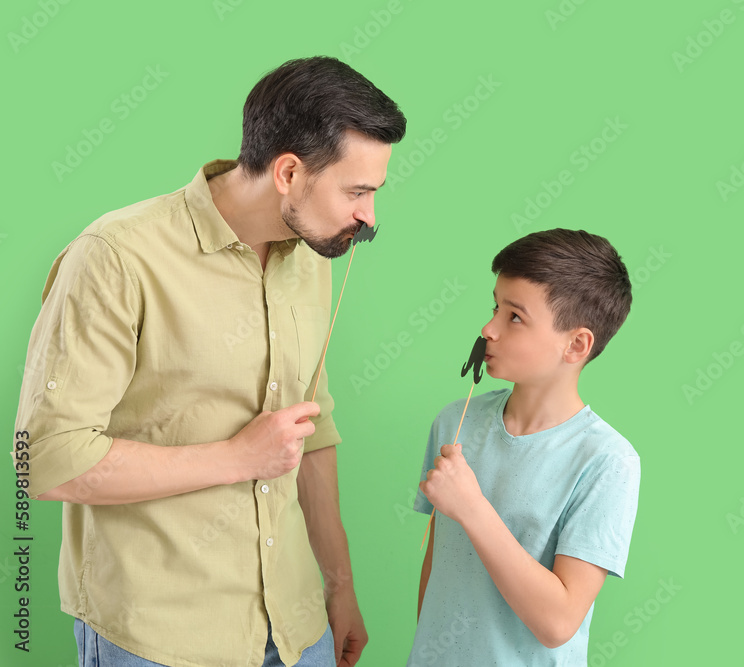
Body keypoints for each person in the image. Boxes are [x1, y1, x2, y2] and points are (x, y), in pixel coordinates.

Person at [13, 56, 405, 666]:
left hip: (299, 631)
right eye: (357, 192)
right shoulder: (117, 257)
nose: (369, 216)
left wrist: (340, 587)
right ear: (289, 172)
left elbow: (313, 430)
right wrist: (234, 458)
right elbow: (47, 461)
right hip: (160, 640)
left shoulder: (308, 259)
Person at [409, 229, 641, 665]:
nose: (488, 329)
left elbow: (557, 623)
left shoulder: (608, 462)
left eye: (514, 317)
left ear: (576, 345)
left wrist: (471, 507)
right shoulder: (454, 422)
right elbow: (438, 569)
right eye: (495, 307)